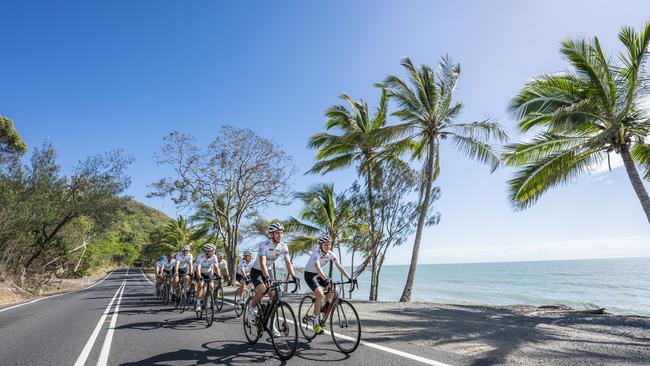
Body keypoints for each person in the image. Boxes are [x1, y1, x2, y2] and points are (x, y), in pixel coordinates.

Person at [246, 222, 300, 328]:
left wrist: (294, 276)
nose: (280, 235)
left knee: (274, 297)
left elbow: (288, 263)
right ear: (271, 235)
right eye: (277, 233)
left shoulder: (283, 247)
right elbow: (262, 262)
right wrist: (266, 277)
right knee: (262, 290)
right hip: (257, 271)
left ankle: (272, 325)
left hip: (268, 270)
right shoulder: (263, 245)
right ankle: (251, 309)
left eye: (281, 233)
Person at [304, 235, 353, 335]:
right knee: (320, 294)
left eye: (329, 244)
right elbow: (318, 268)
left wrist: (349, 278)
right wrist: (326, 279)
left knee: (333, 290)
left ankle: (322, 310)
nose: (328, 246)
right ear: (321, 245)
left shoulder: (331, 254)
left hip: (319, 274)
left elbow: (339, 266)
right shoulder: (316, 254)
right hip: (310, 275)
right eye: (325, 245)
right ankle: (316, 322)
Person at [194, 244, 222, 312]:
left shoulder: (214, 257)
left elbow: (216, 267)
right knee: (201, 285)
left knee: (212, 286)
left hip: (208, 272)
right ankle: (198, 303)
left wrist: (219, 276)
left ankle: (208, 300)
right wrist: (199, 277)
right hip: (200, 272)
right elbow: (198, 268)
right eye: (211, 251)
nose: (212, 253)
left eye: (213, 251)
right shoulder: (200, 257)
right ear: (206, 252)